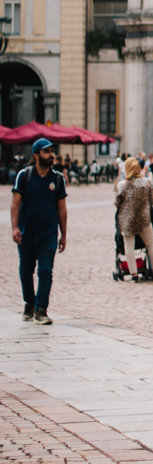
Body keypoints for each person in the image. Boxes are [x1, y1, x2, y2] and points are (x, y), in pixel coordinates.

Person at [10, 137, 68, 324]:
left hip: (48, 234)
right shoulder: (24, 176)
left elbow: (62, 209)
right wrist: (14, 227)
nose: (51, 155)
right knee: (26, 272)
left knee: (45, 272)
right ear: (36, 155)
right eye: (46, 152)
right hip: (26, 233)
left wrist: (63, 234)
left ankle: (41, 310)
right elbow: (15, 204)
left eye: (51, 151)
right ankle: (29, 302)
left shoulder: (58, 179)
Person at [115, 155, 153, 281]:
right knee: (151, 244)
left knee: (129, 246)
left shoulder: (122, 185)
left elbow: (117, 203)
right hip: (144, 218)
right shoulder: (146, 182)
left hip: (128, 220)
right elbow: (152, 200)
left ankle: (134, 273)